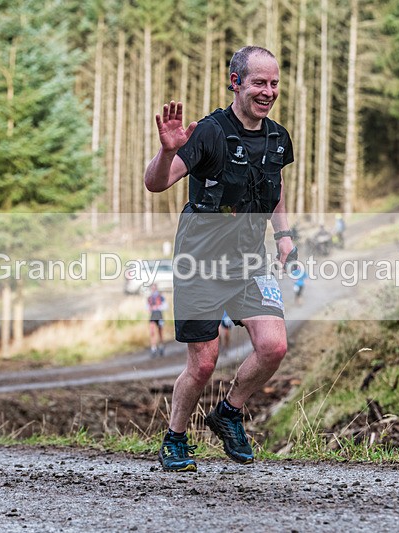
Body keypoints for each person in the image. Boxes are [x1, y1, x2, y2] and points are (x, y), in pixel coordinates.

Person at [144, 45, 295, 472]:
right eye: (259, 83)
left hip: (252, 261)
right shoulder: (209, 132)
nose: (268, 91)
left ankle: (228, 413)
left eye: (274, 83)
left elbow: (275, 186)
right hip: (201, 262)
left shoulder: (278, 137)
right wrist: (169, 150)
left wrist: (283, 235)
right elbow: (156, 183)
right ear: (236, 82)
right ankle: (175, 439)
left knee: (274, 345)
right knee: (204, 362)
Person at [147, 284, 166, 357]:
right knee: (152, 332)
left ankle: (161, 346)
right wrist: (151, 308)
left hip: (159, 316)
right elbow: (147, 307)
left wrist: (157, 307)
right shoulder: (149, 298)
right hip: (153, 316)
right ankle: (153, 348)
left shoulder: (161, 297)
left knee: (160, 332)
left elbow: (165, 306)